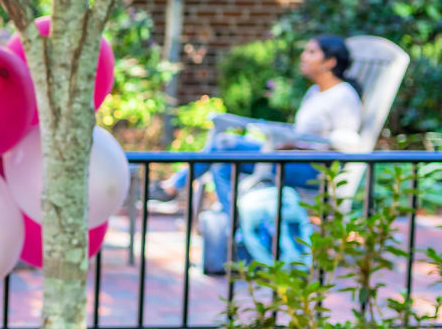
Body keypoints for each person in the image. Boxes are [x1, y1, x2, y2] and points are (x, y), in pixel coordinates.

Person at [151, 33, 366, 208]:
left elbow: (343, 144)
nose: (303, 57)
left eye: (311, 52)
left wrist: (295, 148)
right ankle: (234, 227)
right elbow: (303, 133)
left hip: (313, 171)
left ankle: (175, 187)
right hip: (289, 158)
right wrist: (288, 144)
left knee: (224, 145)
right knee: (222, 164)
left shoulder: (343, 96)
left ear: (330, 62)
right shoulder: (314, 92)